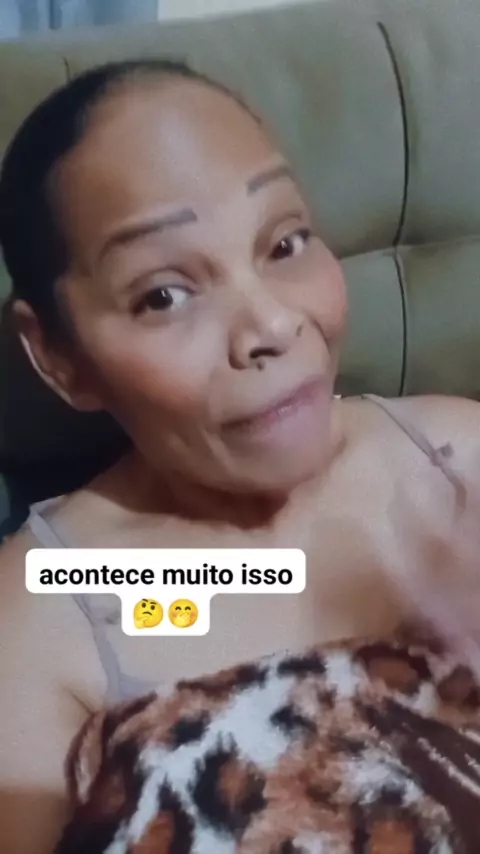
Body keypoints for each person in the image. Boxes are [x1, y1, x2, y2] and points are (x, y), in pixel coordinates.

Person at [1, 59, 480, 854]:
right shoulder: (52, 608)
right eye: (164, 295)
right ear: (59, 357)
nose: (271, 325)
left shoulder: (457, 458)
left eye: (285, 243)